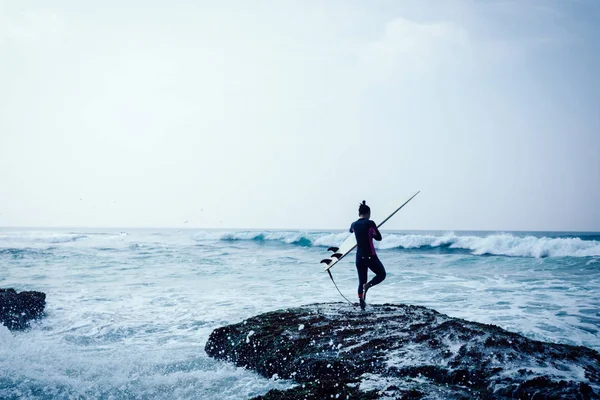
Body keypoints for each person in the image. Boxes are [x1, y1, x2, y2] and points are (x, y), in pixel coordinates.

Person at [349, 200, 386, 310]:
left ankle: (362, 306)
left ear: (358, 214)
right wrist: (372, 233)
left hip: (359, 257)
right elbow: (379, 237)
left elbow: (350, 231)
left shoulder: (353, 224)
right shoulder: (370, 223)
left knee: (361, 281)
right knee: (382, 274)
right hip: (370, 255)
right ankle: (368, 285)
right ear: (368, 213)